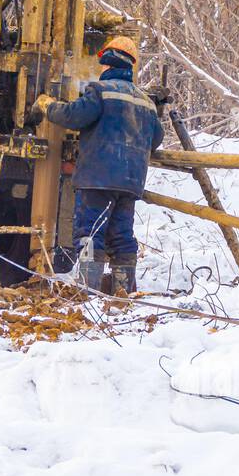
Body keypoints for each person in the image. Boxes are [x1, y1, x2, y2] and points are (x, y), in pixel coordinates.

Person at [29, 35, 163, 294]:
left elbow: (74, 115)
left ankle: (89, 295)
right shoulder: (146, 101)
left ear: (108, 63)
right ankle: (123, 295)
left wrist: (47, 106)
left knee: (90, 234)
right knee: (122, 236)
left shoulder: (100, 91)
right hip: (130, 182)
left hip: (98, 177)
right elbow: (155, 138)